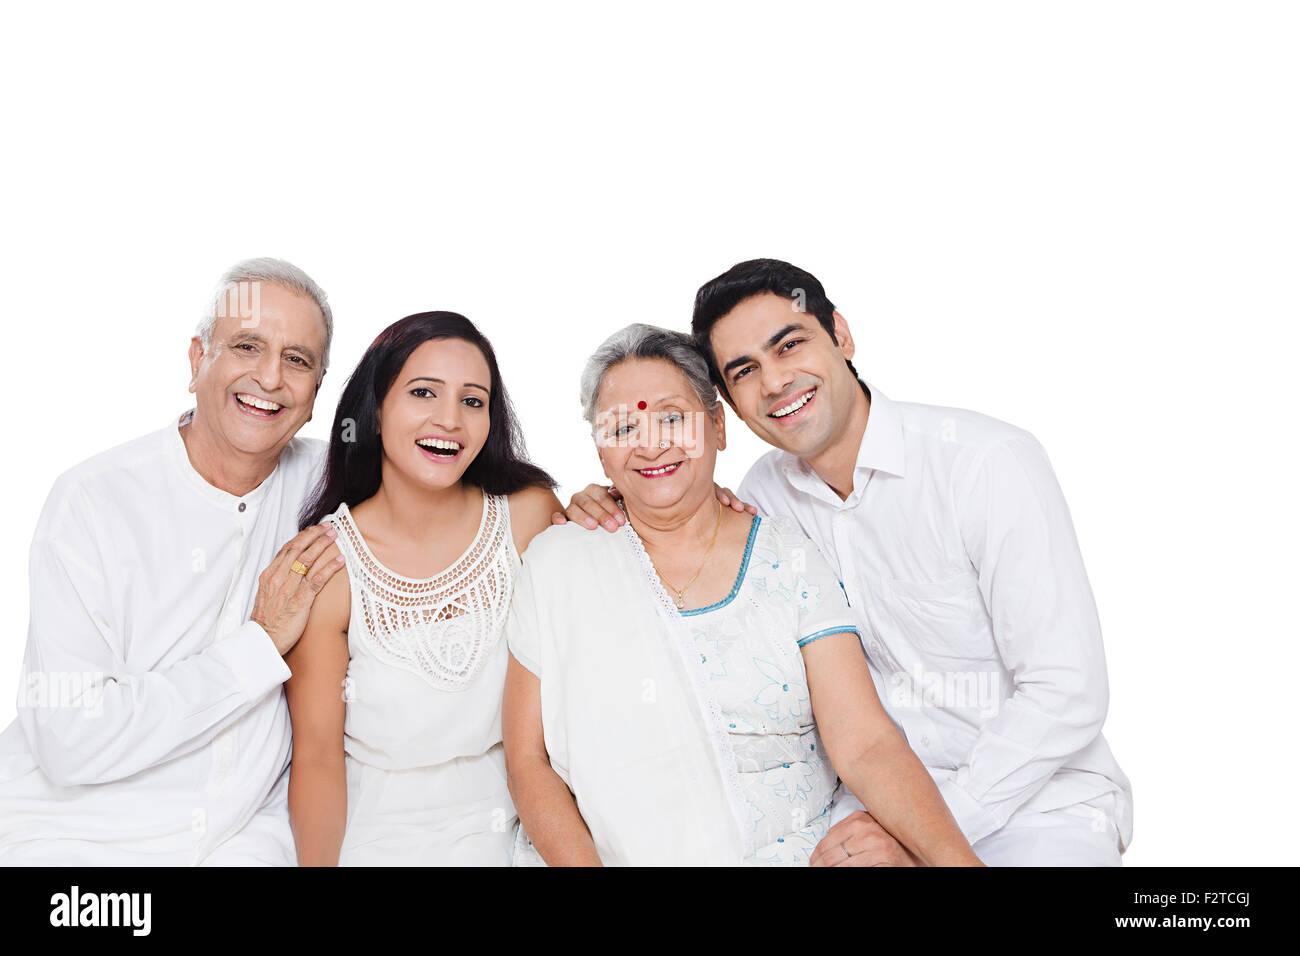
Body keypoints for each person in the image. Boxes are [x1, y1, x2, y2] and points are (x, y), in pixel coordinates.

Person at [561, 259, 1133, 867]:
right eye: (745, 370)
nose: (776, 381)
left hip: (1039, 808)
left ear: (840, 334)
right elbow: (675, 505)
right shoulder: (764, 498)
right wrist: (606, 502)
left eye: (790, 344)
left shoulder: (983, 465)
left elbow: (1067, 690)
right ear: (729, 404)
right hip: (868, 813)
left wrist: (924, 833)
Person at [504, 325, 982, 866]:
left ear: (717, 425)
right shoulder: (560, 562)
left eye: (670, 417)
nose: (650, 443)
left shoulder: (788, 555)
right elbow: (528, 761)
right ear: (599, 449)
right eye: (622, 426)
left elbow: (865, 743)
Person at [0, 257, 344, 865]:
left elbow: (460, 483)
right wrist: (257, 646)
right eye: (247, 346)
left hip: (241, 840)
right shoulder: (91, 500)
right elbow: (69, 738)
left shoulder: (331, 484)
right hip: (72, 839)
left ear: (317, 393)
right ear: (197, 361)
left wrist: (569, 510)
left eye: (297, 360)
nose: (270, 377)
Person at [288, 312, 561, 866]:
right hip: (381, 836)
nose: (450, 420)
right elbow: (317, 759)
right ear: (377, 408)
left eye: (473, 400)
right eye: (423, 392)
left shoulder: (528, 516)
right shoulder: (328, 565)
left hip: (521, 820)